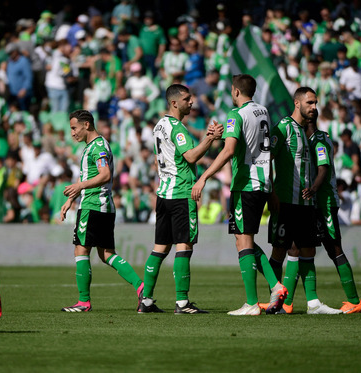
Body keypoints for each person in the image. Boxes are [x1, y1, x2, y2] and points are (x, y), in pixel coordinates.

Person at [191, 74, 288, 315]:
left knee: (243, 241)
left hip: (245, 185)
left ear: (235, 92)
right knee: (243, 239)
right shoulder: (263, 111)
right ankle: (274, 287)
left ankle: (253, 303)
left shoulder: (236, 114)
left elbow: (229, 150)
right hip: (263, 183)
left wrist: (204, 176)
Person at [138, 84, 223, 314]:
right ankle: (182, 303)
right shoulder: (177, 128)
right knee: (184, 245)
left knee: (159, 248)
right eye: (187, 99)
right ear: (174, 102)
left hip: (163, 192)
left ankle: (146, 301)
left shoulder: (159, 125)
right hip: (181, 192)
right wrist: (211, 138)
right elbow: (192, 156)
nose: (191, 102)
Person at [266, 87, 342, 315]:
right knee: (279, 251)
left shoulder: (304, 133)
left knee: (308, 250)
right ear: (297, 103)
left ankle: (313, 304)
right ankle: (275, 302)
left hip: (306, 204)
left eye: (316, 103)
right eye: (310, 103)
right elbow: (266, 157)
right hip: (286, 202)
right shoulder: (283, 127)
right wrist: (271, 193)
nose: (314, 107)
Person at [60, 109, 143, 312]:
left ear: (86, 125)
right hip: (103, 206)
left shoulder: (98, 147)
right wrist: (70, 199)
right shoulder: (93, 146)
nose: (72, 133)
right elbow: (88, 176)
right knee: (106, 254)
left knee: (81, 250)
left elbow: (105, 175)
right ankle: (142, 287)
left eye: (74, 128)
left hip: (93, 205)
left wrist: (79, 188)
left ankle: (83, 302)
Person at [303, 115, 361, 313]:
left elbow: (323, 169)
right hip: (316, 203)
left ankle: (354, 301)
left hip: (325, 202)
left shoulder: (319, 140)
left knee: (335, 248)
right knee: (318, 249)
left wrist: (312, 189)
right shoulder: (315, 138)